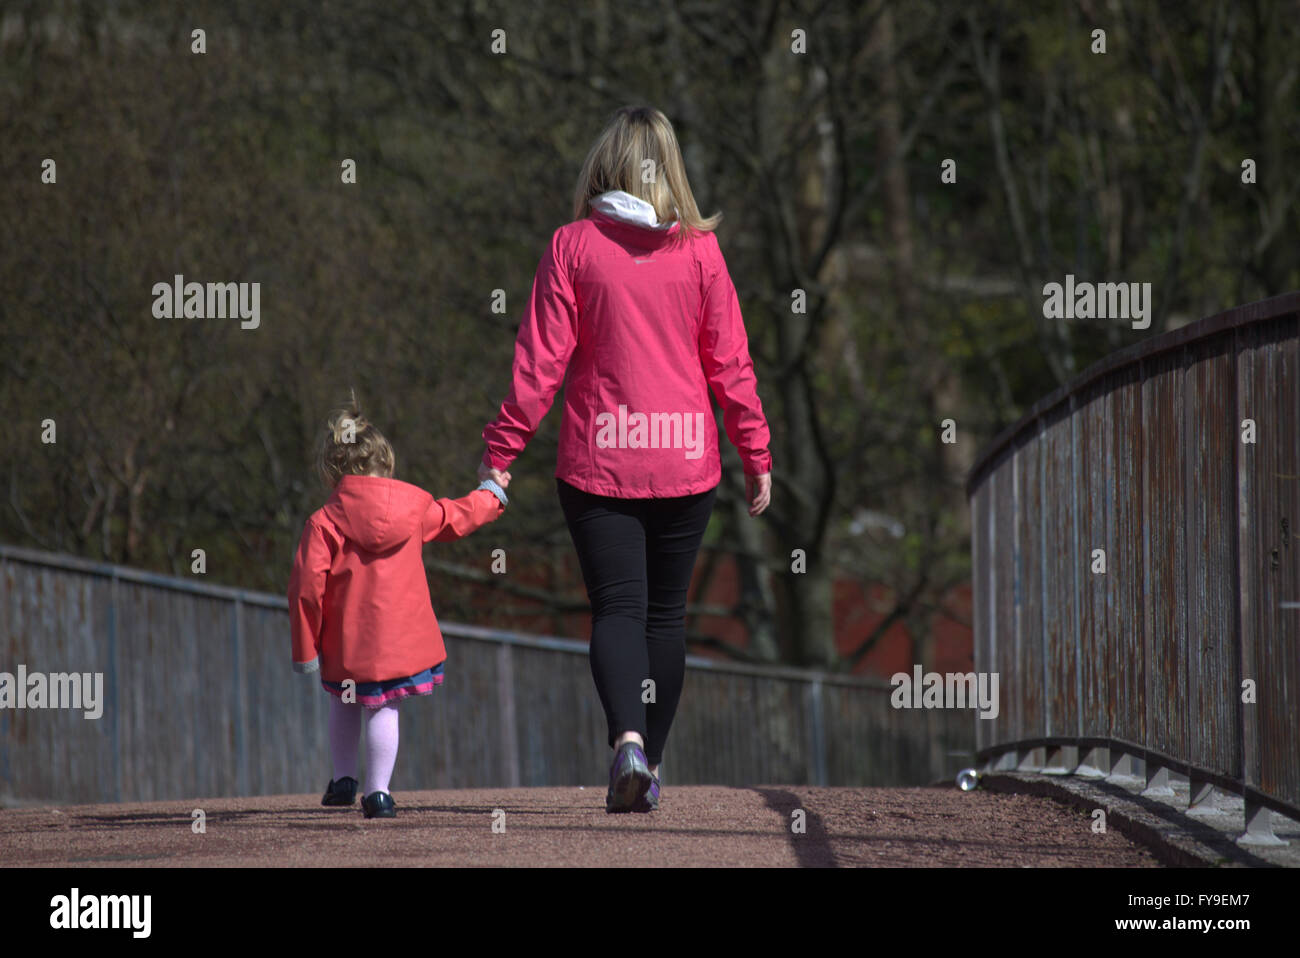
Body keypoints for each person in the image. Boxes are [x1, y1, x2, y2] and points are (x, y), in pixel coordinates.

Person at [479, 105, 772, 813]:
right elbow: (729, 362)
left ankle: (628, 743)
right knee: (665, 618)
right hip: (684, 460)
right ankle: (652, 763)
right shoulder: (701, 252)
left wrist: (502, 451)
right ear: (670, 169)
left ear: (603, 165)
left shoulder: (573, 247)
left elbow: (539, 361)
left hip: (600, 460)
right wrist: (755, 449)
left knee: (616, 608)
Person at [289, 394, 509, 818]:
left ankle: (343, 779)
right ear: (384, 464)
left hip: (346, 642)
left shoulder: (323, 522)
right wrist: (492, 493)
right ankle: (378, 793)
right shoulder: (414, 508)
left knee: (343, 701)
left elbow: (304, 587)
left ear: (335, 470)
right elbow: (456, 517)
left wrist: (305, 648)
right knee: (384, 709)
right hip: (398, 642)